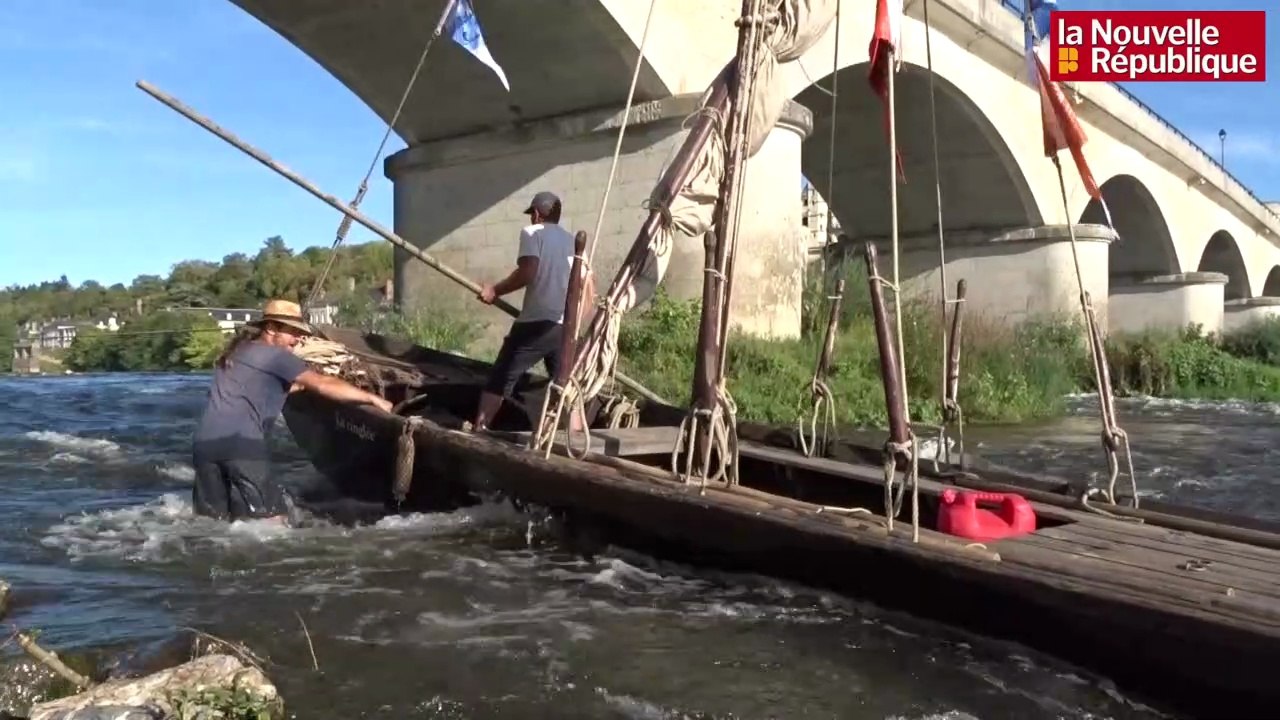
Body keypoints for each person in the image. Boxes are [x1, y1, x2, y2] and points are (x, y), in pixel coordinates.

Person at [191, 298, 393, 523]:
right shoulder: (277, 356)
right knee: (274, 521)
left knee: (210, 522)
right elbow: (322, 384)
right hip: (241, 444)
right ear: (270, 329)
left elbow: (258, 388)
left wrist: (296, 387)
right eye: (292, 332)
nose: (297, 339)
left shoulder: (235, 353)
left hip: (203, 445)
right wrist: (372, 399)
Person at [473, 190, 593, 431]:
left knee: (501, 377)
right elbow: (589, 288)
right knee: (567, 388)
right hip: (565, 328)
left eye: (532, 214)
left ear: (537, 214)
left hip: (535, 323)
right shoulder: (574, 242)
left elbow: (528, 271)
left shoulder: (532, 233)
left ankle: (479, 429)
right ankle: (577, 443)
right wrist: (576, 327)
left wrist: (495, 290)